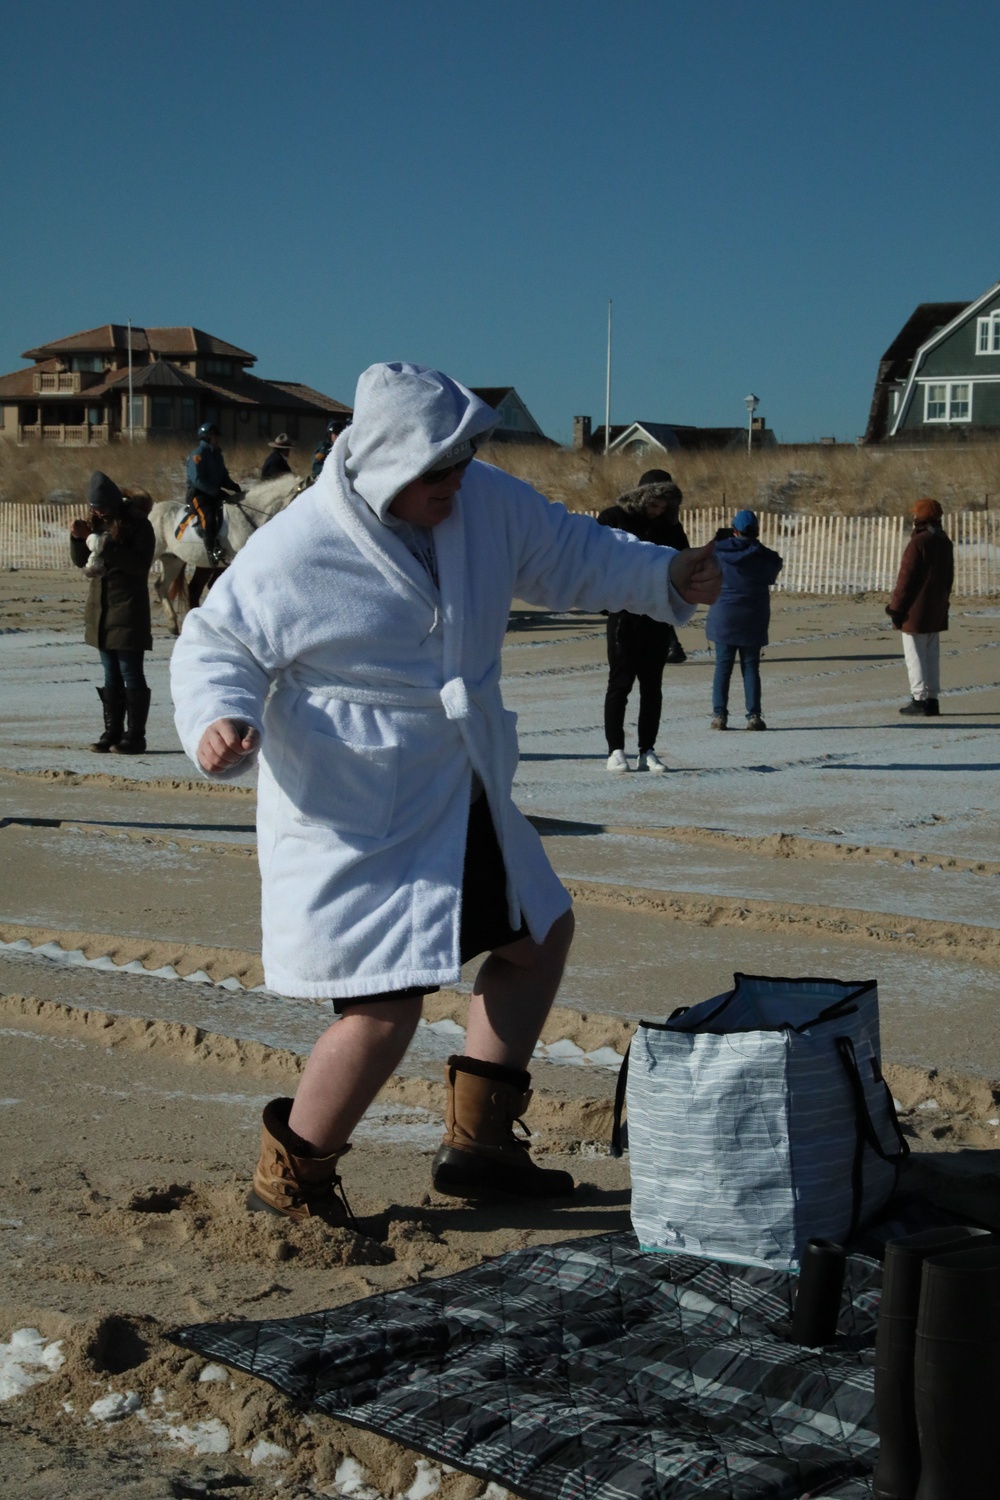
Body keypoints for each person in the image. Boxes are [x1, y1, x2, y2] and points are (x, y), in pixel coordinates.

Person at [170, 363, 721, 1227]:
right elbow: (216, 642)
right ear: (387, 464)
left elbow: (571, 553)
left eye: (461, 464)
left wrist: (663, 578)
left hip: (460, 780)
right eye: (436, 472)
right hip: (358, 801)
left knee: (539, 933)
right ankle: (292, 1186)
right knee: (385, 1006)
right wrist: (220, 716)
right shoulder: (301, 543)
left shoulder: (485, 502)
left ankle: (481, 1147)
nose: (454, 485)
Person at [597, 469, 689, 773]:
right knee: (619, 684)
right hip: (623, 616)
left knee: (652, 687)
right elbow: (592, 559)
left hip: (657, 617)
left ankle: (647, 750)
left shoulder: (672, 528)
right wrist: (601, 600)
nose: (658, 511)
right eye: (654, 505)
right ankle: (615, 750)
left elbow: (682, 566)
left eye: (665, 507)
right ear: (641, 498)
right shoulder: (613, 518)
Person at [69, 471, 156, 754]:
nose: (99, 511)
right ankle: (112, 732)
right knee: (110, 676)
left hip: (128, 608)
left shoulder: (138, 525)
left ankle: (135, 736)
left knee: (131, 673)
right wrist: (77, 539)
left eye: (103, 506)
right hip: (101, 610)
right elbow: (81, 561)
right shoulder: (96, 523)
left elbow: (139, 565)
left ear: (115, 501)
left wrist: (102, 543)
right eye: (94, 507)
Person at [705, 508, 783, 731]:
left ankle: (719, 716)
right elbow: (775, 564)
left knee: (723, 668)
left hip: (724, 616)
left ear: (735, 530)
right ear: (757, 531)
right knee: (750, 668)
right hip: (753, 616)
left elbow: (704, 563)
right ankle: (754, 715)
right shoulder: (762, 555)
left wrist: (719, 540)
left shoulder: (719, 552)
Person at [887, 498, 954, 717]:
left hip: (915, 609)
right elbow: (948, 578)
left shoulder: (919, 542)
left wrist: (896, 609)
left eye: (915, 513)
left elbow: (905, 580)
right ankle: (932, 700)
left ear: (920, 517)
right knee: (931, 654)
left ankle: (918, 699)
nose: (913, 516)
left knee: (915, 655)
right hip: (936, 606)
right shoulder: (944, 541)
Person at [184, 421, 243, 564]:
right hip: (199, 494)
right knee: (208, 518)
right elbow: (197, 479)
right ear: (206, 438)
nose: (217, 440)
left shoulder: (217, 454)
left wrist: (233, 486)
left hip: (214, 492)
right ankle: (212, 552)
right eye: (215, 437)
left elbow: (222, 476)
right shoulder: (197, 455)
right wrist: (215, 491)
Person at [312, 414, 352, 479]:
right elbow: (316, 462)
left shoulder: (344, 448)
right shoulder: (324, 447)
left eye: (339, 433)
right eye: (335, 433)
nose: (337, 436)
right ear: (330, 434)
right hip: (322, 476)